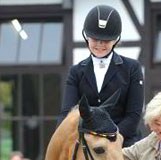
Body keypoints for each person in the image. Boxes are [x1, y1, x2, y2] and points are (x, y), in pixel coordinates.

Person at [58, 4, 144, 147]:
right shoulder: (76, 72)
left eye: (106, 40)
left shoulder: (132, 68)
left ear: (116, 39)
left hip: (122, 142)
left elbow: (133, 116)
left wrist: (108, 138)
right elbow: (68, 112)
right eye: (94, 39)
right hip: (86, 144)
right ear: (87, 37)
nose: (99, 44)